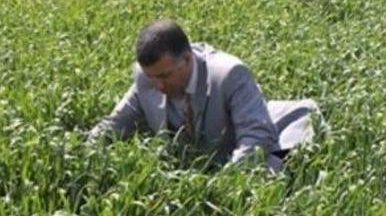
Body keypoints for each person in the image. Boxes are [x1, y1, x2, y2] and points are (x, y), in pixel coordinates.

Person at [89, 19, 318, 172]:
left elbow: (257, 138)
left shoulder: (229, 74)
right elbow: (113, 125)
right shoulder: (147, 77)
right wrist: (84, 153)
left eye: (165, 75)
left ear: (188, 59)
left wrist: (220, 186)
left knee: (274, 170)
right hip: (219, 148)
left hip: (270, 132)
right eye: (152, 77)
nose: (157, 85)